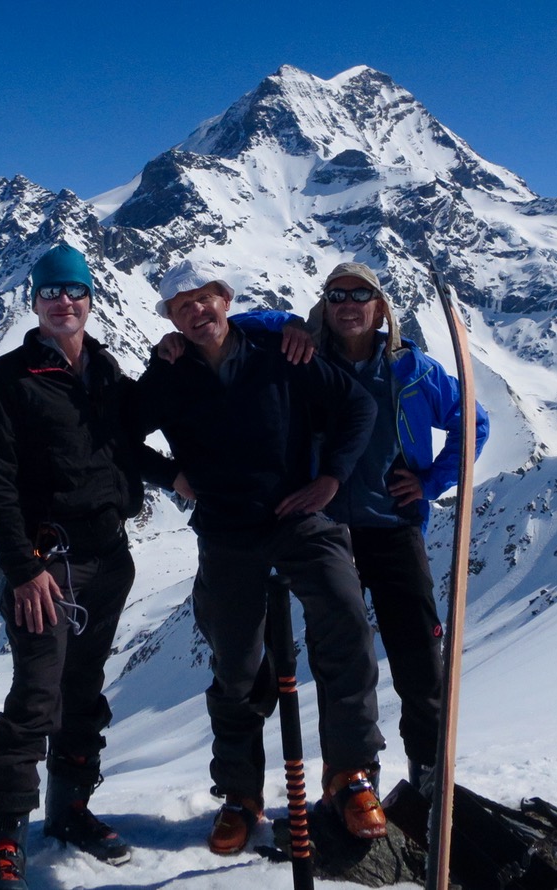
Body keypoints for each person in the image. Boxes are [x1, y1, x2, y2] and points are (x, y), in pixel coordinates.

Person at [136, 259, 388, 855]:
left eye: (205, 299)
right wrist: (171, 475)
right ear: (171, 320)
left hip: (299, 516)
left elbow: (359, 408)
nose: (197, 312)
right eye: (181, 306)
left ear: (226, 299)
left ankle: (350, 775)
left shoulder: (282, 353)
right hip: (226, 529)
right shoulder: (168, 375)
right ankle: (241, 796)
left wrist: (330, 479)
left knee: (345, 623)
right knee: (235, 662)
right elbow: (117, 436)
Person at [223, 261, 490, 794]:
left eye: (360, 295)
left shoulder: (412, 370)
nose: (348, 305)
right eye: (337, 295)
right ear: (324, 304)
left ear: (380, 305)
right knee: (338, 657)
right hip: (321, 528)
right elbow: (239, 325)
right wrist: (288, 325)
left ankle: (428, 771)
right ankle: (350, 775)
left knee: (418, 653)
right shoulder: (303, 355)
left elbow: (472, 421)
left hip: (391, 526)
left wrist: (432, 481)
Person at [0, 243, 176, 890]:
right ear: (34, 301)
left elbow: (124, 445)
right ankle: (1, 839)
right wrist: (23, 569)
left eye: (75, 291)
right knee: (36, 699)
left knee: (82, 694)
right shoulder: (10, 380)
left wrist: (176, 472)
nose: (65, 301)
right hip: (47, 565)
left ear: (91, 299)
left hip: (109, 557)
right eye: (52, 291)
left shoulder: (105, 372)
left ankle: (69, 810)